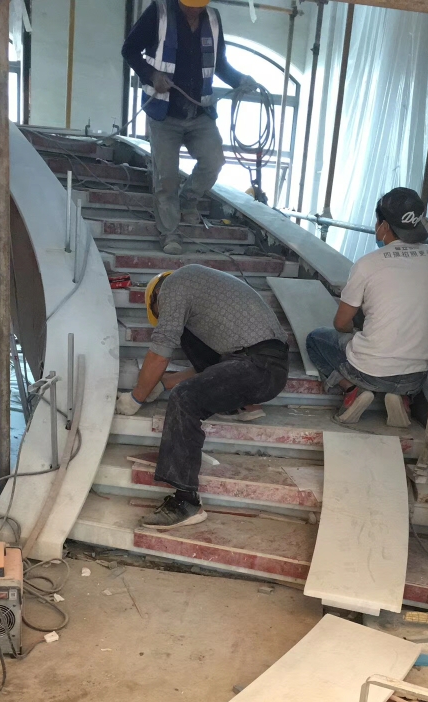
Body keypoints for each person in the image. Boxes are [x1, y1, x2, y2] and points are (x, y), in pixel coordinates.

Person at [115, 265, 289, 529]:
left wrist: (135, 398)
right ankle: (242, 404)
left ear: (155, 297)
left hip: (258, 367)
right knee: (186, 339)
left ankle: (186, 503)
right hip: (263, 365)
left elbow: (161, 349)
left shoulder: (173, 286)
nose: (165, 318)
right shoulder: (202, 286)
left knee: (185, 399)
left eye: (161, 314)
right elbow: (212, 364)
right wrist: (164, 382)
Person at [306, 187, 428, 427]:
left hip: (367, 371)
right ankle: (402, 398)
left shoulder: (366, 264)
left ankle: (352, 390)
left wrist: (354, 334)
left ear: (383, 226)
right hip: (415, 376)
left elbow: (340, 323)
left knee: (315, 339)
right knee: (404, 356)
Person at [122, 0, 256, 255]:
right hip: (164, 114)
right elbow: (129, 50)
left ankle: (187, 200)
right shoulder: (159, 13)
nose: (195, 10)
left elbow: (219, 64)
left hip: (199, 113)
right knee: (166, 178)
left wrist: (239, 79)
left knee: (214, 161)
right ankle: (170, 233)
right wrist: (152, 75)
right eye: (190, 5)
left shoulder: (213, 19)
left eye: (199, 5)